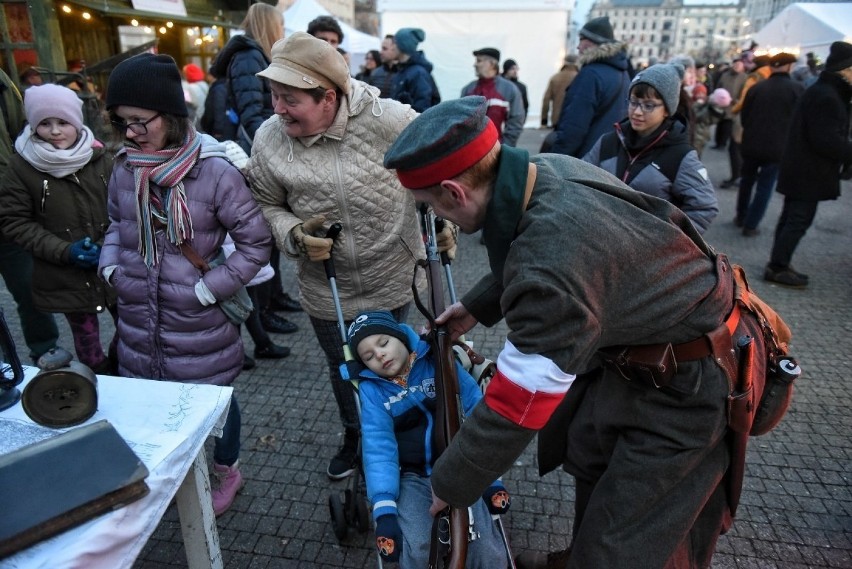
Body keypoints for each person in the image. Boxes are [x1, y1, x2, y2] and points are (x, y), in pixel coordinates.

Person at [384, 95, 764, 569]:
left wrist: (451, 483)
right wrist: (477, 307)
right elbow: (541, 249)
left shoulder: (551, 265)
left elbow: (517, 401)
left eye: (432, 207)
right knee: (593, 462)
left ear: (454, 192)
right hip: (646, 357)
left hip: (687, 387)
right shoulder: (544, 169)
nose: (441, 220)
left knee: (628, 541)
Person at [244, 33, 453, 480]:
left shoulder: (390, 119)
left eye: (289, 98)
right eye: (274, 96)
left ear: (328, 97)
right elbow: (265, 203)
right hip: (326, 283)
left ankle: (407, 429)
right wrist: (295, 234)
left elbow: (439, 170)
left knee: (398, 360)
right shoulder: (269, 139)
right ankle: (356, 434)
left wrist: (445, 222)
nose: (277, 109)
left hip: (393, 274)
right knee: (346, 369)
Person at [100, 52, 273, 515]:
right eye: (122, 123)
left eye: (140, 121)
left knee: (215, 401)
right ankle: (174, 467)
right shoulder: (123, 167)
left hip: (199, 315)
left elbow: (256, 244)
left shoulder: (214, 171)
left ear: (171, 115)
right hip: (138, 310)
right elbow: (116, 224)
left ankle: (225, 469)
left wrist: (209, 288)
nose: (131, 132)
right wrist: (111, 267)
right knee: (154, 396)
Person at [345, 310, 510, 568]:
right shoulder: (373, 391)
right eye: (368, 356)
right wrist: (384, 511)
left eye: (384, 343)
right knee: (420, 547)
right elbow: (379, 451)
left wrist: (489, 478)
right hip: (411, 475)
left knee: (487, 553)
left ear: (401, 338)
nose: (379, 354)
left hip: (460, 465)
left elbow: (476, 407)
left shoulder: (437, 359)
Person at [0, 84, 116, 373]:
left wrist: (108, 244)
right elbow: (14, 221)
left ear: (77, 123)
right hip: (65, 274)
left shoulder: (101, 159)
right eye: (44, 123)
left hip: (112, 266)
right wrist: (65, 251)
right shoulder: (21, 167)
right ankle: (97, 380)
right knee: (87, 340)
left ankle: (126, 371)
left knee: (132, 328)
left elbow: (121, 208)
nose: (54, 131)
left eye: (63, 122)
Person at [209, 2, 299, 334]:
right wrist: (272, 149)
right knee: (261, 232)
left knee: (270, 232)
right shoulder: (249, 57)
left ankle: (274, 297)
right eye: (280, 26)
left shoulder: (254, 56)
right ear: (268, 27)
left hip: (256, 151)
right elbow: (253, 112)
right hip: (254, 155)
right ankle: (263, 311)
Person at [583, 64, 718, 234]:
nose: (637, 112)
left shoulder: (680, 155)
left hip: (646, 255)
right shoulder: (608, 142)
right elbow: (580, 180)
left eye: (649, 105)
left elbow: (704, 206)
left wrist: (666, 242)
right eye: (634, 102)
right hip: (598, 241)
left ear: (667, 110)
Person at [765, 41, 852, 288]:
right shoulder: (828, 95)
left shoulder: (824, 90)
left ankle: (778, 262)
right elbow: (826, 140)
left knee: (792, 218)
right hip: (808, 171)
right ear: (846, 70)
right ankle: (778, 266)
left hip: (802, 168)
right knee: (798, 220)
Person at [0, 68, 59, 364]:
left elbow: (21, 131)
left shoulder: (0, 81)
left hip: (5, 205)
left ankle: (45, 349)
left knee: (28, 285)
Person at [735, 53, 803, 237]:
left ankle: (741, 216)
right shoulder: (797, 89)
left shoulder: (757, 88)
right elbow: (799, 122)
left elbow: (744, 117)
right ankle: (751, 224)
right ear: (788, 67)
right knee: (765, 186)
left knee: (746, 181)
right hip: (777, 148)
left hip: (751, 144)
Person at [550, 16, 631, 157]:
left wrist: (554, 160)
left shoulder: (590, 74)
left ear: (594, 42)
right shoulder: (624, 73)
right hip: (611, 157)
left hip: (585, 159)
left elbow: (574, 127)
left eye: (581, 39)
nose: (578, 46)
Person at [460, 47, 524, 147]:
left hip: (498, 150)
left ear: (491, 64)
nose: (475, 64)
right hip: (471, 150)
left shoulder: (510, 90)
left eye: (479, 61)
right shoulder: (468, 90)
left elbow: (516, 122)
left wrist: (504, 148)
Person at [388, 28, 437, 113]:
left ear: (403, 45)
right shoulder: (402, 70)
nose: (391, 48)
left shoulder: (418, 73)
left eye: (394, 43)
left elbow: (424, 111)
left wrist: (410, 107)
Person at [540, 55, 579, 129]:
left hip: (557, 119)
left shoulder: (555, 77)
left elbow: (546, 100)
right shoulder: (580, 77)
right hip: (575, 119)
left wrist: (544, 120)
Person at [182, 63, 209, 127]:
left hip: (197, 117)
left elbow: (189, 104)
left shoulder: (189, 87)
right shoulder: (204, 83)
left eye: (185, 73)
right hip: (206, 115)